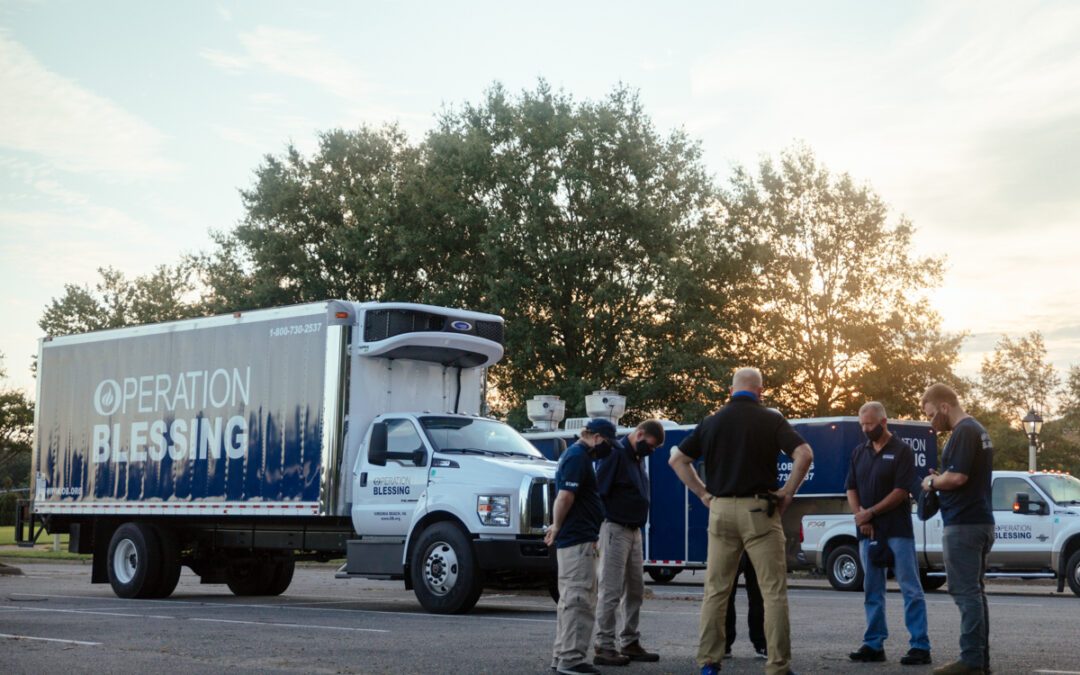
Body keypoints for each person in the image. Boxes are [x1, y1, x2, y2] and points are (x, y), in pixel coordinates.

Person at [668, 367, 813, 675]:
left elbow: (677, 459)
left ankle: (709, 661)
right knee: (772, 591)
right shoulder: (772, 419)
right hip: (760, 511)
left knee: (716, 591)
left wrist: (704, 494)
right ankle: (777, 666)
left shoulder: (710, 422)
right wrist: (787, 492)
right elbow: (804, 453)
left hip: (720, 511)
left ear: (730, 390)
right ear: (761, 391)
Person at [845, 401, 931, 666]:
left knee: (910, 588)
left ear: (883, 422)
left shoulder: (902, 451)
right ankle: (873, 644)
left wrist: (870, 513)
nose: (865, 429)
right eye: (862, 424)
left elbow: (900, 491)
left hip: (897, 530)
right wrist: (861, 516)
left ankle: (920, 646)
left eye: (869, 424)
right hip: (868, 532)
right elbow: (851, 487)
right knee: (872, 589)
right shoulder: (859, 452)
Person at [919, 384, 994, 675]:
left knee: (965, 593)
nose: (930, 421)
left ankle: (971, 661)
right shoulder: (978, 430)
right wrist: (943, 478)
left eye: (931, 414)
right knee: (976, 593)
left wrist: (932, 483)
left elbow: (959, 477)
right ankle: (979, 660)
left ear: (944, 407)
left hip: (963, 524)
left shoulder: (963, 431)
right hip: (979, 520)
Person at [546, 418, 617, 675]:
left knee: (569, 600)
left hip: (578, 538)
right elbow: (565, 495)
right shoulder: (578, 457)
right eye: (608, 443)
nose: (608, 449)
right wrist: (556, 526)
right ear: (597, 437)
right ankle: (571, 659)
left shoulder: (576, 456)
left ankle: (561, 655)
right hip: (578, 540)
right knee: (579, 599)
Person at [592, 419, 665, 666]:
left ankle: (630, 641)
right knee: (611, 589)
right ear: (640, 434)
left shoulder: (636, 457)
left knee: (635, 590)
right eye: (651, 446)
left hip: (634, 531)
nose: (651, 451)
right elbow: (599, 491)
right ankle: (604, 645)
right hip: (615, 528)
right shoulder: (616, 455)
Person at [725, 552, 766, 660]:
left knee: (726, 596)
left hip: (732, 542)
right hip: (755, 543)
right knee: (758, 596)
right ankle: (761, 644)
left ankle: (724, 644)